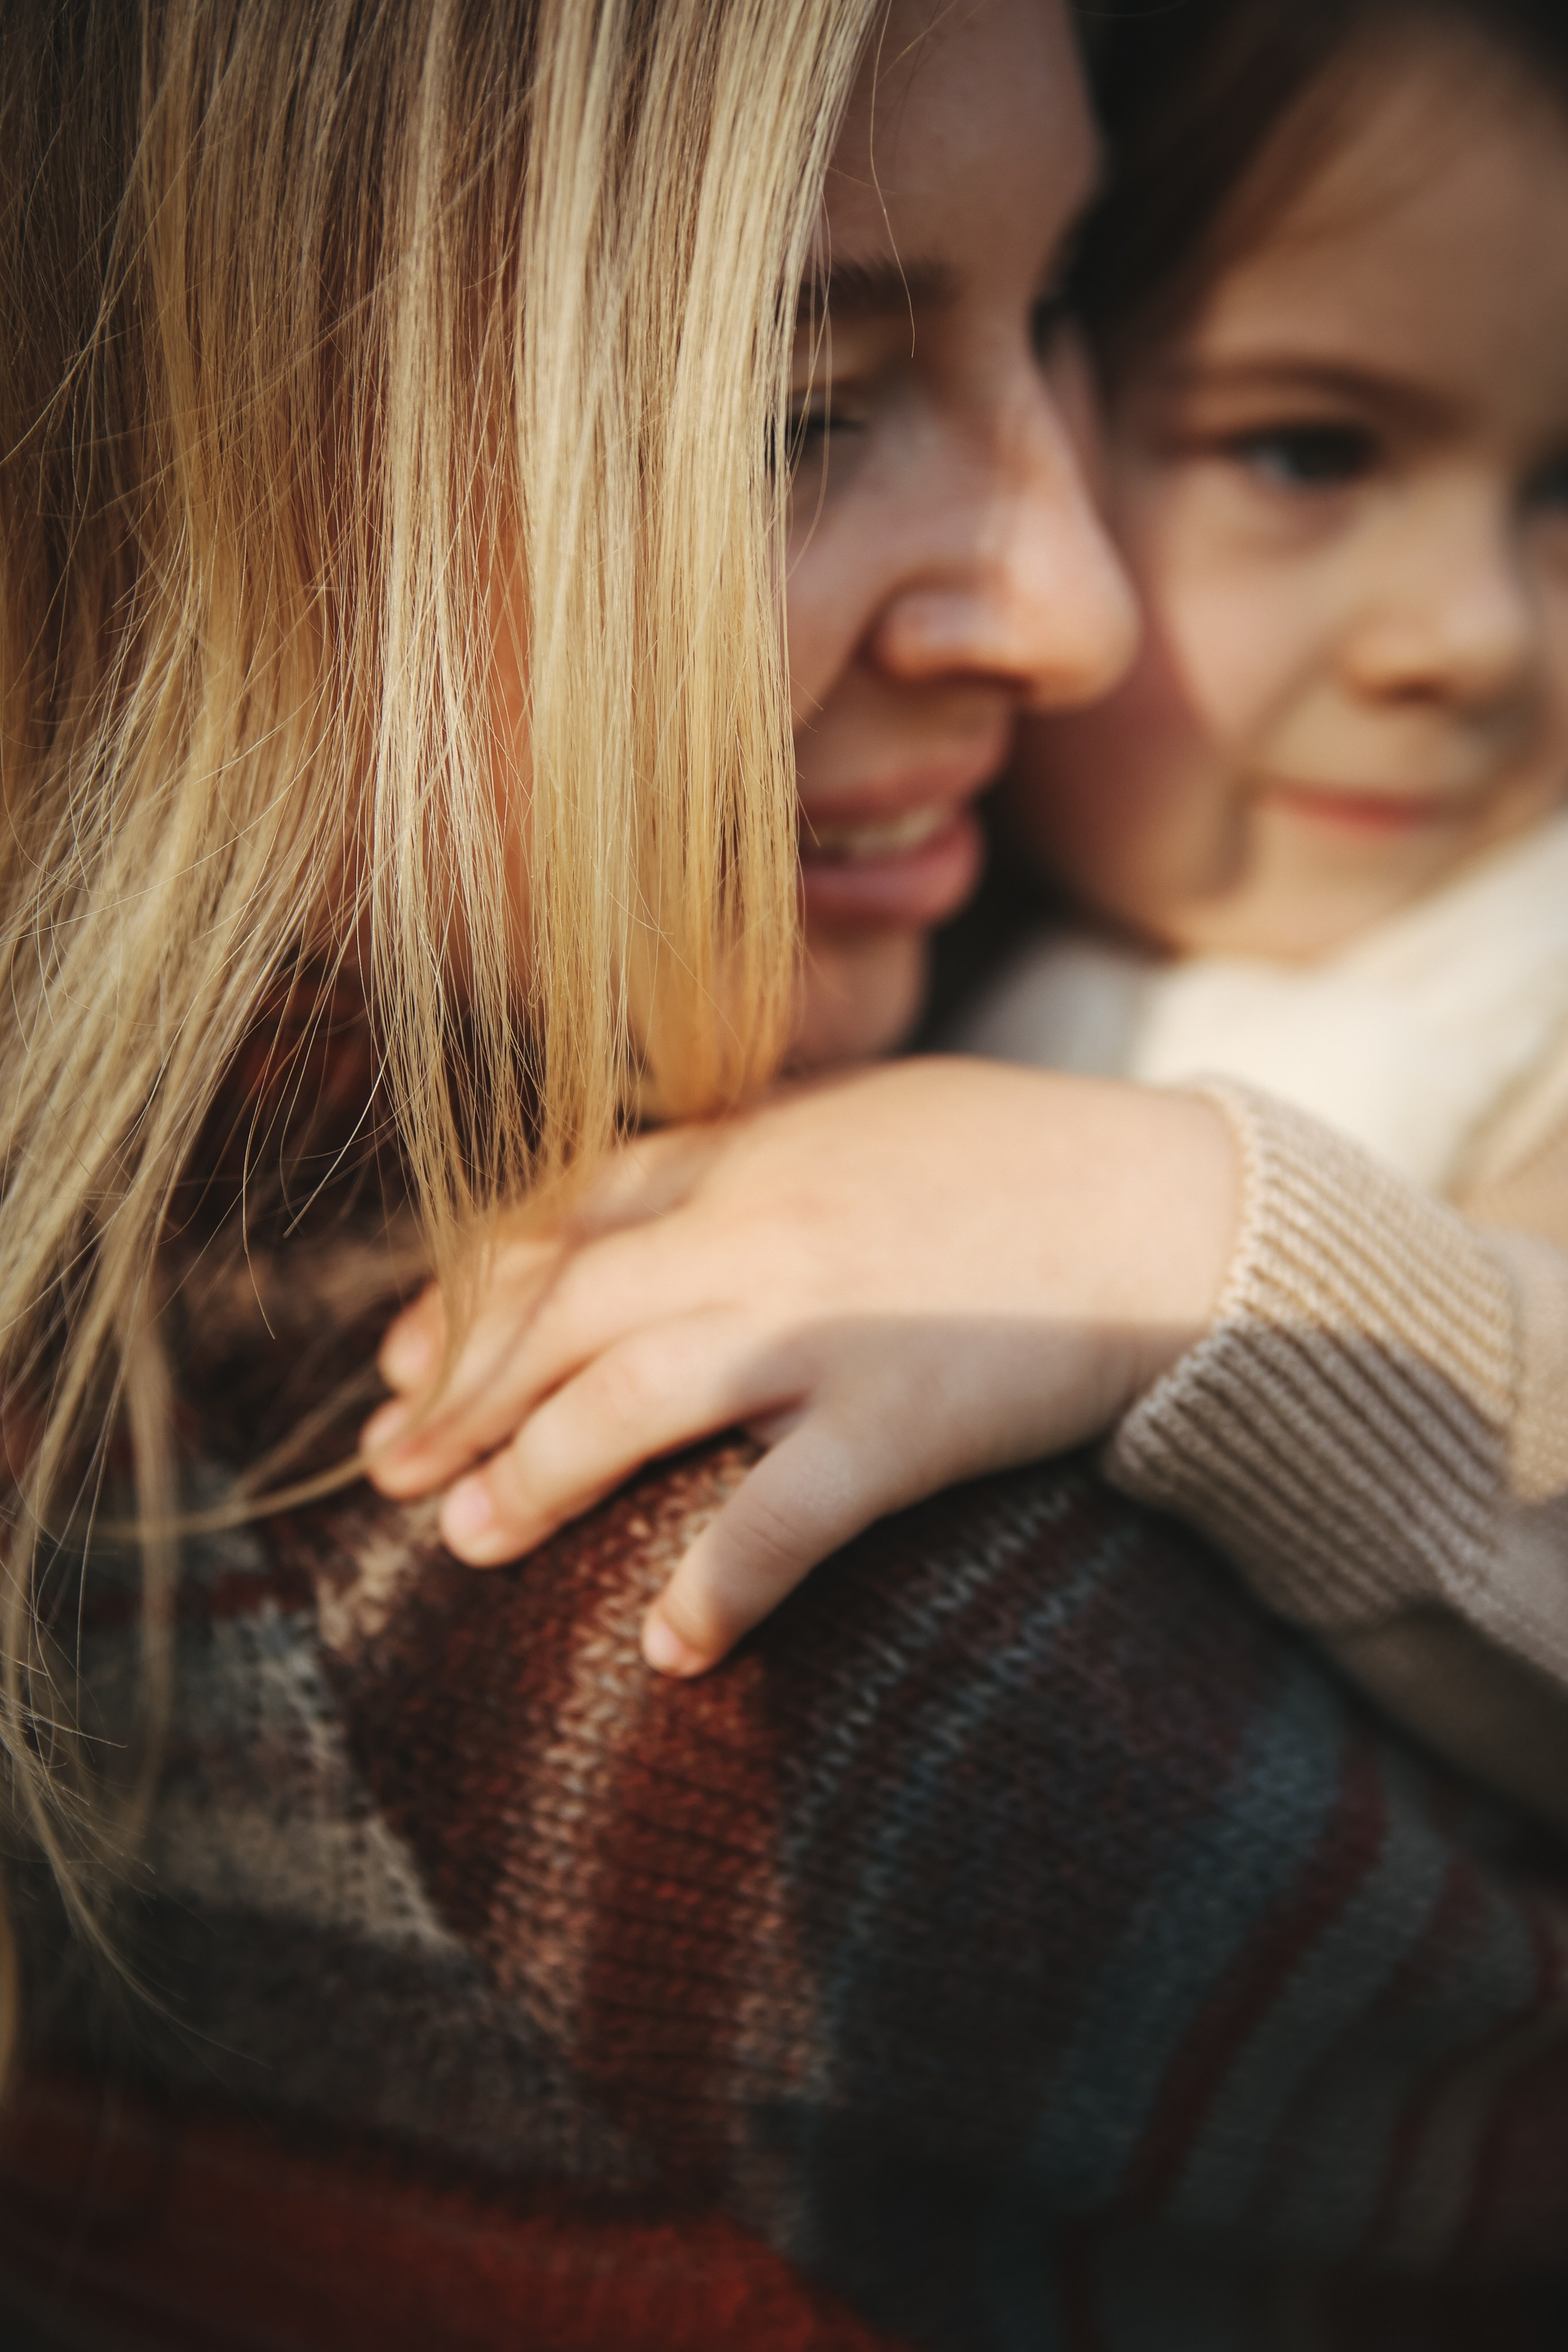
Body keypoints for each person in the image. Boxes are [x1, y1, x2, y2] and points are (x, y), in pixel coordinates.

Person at [365, 0, 1568, 1834]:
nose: (1473, 633)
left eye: (1566, 490)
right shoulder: (901, 925)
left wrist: (1188, 1238)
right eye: (1306, 452)